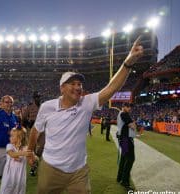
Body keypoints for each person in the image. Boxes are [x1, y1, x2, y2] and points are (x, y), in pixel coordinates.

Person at [27, 37, 143, 194]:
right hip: (51, 169)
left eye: (79, 84)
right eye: (72, 83)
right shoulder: (47, 107)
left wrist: (128, 62)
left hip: (78, 172)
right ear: (62, 88)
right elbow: (35, 130)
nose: (77, 87)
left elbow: (111, 88)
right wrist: (30, 151)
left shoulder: (86, 102)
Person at [0, 128, 32, 194]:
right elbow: (12, 154)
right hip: (9, 175)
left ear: (19, 138)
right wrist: (24, 153)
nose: (10, 138)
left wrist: (32, 156)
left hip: (20, 175)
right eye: (10, 135)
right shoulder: (9, 146)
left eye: (12, 136)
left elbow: (30, 162)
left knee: (19, 190)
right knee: (7, 189)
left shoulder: (26, 148)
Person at [22, 91, 43, 176]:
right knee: (32, 149)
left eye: (39, 97)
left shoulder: (43, 106)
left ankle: (37, 159)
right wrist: (27, 123)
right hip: (32, 129)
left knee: (42, 147)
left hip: (42, 130)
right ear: (33, 98)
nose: (38, 98)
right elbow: (23, 117)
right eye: (36, 97)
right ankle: (33, 167)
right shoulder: (30, 107)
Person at [116, 103, 136, 190]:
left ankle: (119, 177)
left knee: (124, 159)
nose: (129, 109)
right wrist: (134, 124)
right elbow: (132, 126)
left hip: (123, 139)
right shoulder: (124, 114)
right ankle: (125, 181)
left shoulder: (120, 113)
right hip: (126, 140)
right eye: (128, 107)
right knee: (130, 159)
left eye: (130, 107)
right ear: (124, 107)